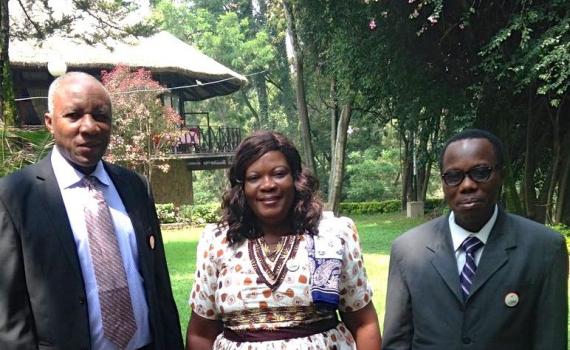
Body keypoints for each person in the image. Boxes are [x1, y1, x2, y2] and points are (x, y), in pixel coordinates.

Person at [0, 72, 184, 350]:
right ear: (50, 123)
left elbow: (159, 285)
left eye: (101, 116)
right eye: (74, 115)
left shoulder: (135, 187)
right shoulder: (15, 195)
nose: (89, 127)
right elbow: (10, 313)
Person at [186, 131, 382, 349]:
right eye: (254, 177)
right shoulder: (217, 242)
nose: (268, 184)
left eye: (279, 173)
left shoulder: (333, 234)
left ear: (296, 178)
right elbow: (201, 333)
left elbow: (364, 322)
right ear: (241, 187)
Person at [383, 128, 568, 350]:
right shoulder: (408, 250)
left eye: (481, 172)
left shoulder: (544, 248)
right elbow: (397, 343)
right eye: (453, 176)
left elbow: (551, 340)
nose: (467, 185)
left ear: (501, 175)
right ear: (443, 183)